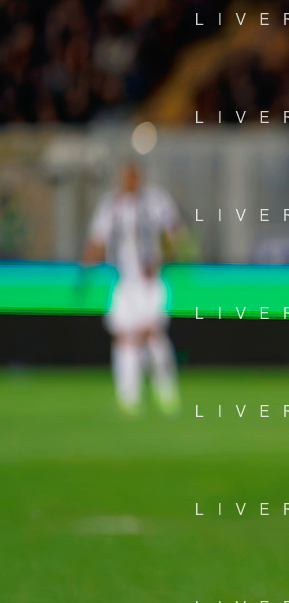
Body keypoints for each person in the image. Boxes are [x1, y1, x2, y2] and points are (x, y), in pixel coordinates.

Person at [83, 160, 184, 416]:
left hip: (149, 281)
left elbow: (175, 233)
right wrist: (86, 270)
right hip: (124, 280)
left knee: (152, 334)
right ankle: (128, 397)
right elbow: (97, 240)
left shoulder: (156, 201)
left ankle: (166, 393)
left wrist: (163, 258)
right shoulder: (111, 205)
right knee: (125, 337)